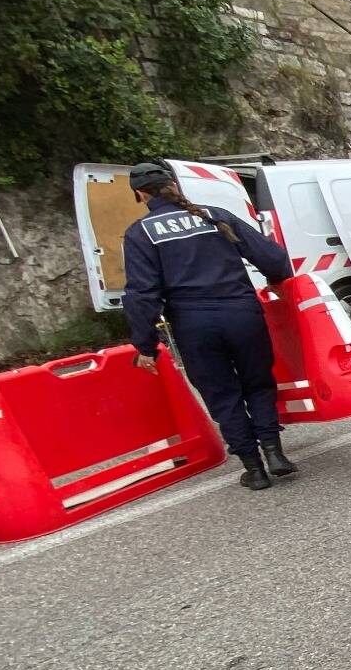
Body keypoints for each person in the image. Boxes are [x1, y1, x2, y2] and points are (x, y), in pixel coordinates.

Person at [121, 160, 297, 492]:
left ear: (140, 194)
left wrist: (144, 346)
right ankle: (275, 453)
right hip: (242, 314)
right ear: (174, 185)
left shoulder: (140, 233)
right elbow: (272, 258)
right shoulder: (214, 215)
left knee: (223, 394)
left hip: (194, 323)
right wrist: (277, 282)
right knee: (257, 384)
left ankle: (254, 469)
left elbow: (141, 295)